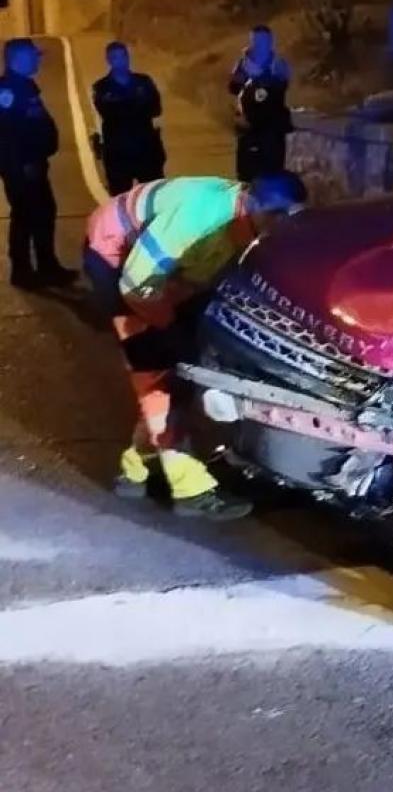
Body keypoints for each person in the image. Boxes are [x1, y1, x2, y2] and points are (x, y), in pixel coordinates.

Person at [84, 172, 309, 520]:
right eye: (279, 217)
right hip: (117, 259)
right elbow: (137, 283)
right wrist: (167, 327)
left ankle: (135, 470)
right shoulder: (200, 218)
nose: (284, 227)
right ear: (254, 205)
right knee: (157, 373)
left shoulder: (249, 220)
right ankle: (191, 490)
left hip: (168, 270)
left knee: (179, 368)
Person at [0, 38, 77, 289]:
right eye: (34, 55)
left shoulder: (25, 85)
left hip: (33, 164)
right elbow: (7, 134)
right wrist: (19, 165)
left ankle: (47, 266)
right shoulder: (7, 91)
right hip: (21, 167)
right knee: (25, 216)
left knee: (43, 213)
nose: (38, 60)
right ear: (18, 59)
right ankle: (22, 272)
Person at [92, 41, 167, 195]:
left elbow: (156, 108)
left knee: (153, 197)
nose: (121, 61)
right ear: (109, 60)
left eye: (123, 56)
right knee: (120, 200)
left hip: (146, 150)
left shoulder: (144, 82)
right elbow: (109, 113)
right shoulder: (101, 87)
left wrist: (126, 105)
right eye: (115, 57)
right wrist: (137, 105)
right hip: (118, 153)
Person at [227, 26, 293, 181]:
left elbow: (282, 87)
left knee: (273, 172)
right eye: (257, 40)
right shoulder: (242, 64)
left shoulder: (278, 64)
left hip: (272, 129)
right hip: (248, 127)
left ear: (271, 42)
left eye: (264, 41)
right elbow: (233, 87)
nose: (261, 44)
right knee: (246, 174)